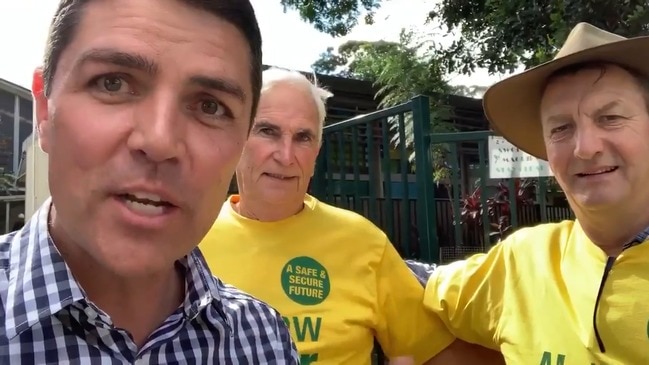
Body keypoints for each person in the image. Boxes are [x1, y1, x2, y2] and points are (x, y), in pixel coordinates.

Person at [0, 0, 299, 363]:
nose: (159, 141)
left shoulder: (263, 339)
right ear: (44, 109)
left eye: (210, 106)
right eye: (113, 83)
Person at [199, 67, 504, 364]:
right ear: (237, 138)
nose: (286, 155)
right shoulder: (189, 239)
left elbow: (426, 350)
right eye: (268, 131)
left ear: (317, 151)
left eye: (303, 137)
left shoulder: (361, 241)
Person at [422, 22, 649, 364]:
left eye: (610, 117)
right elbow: (410, 282)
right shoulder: (522, 260)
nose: (585, 148)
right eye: (561, 128)